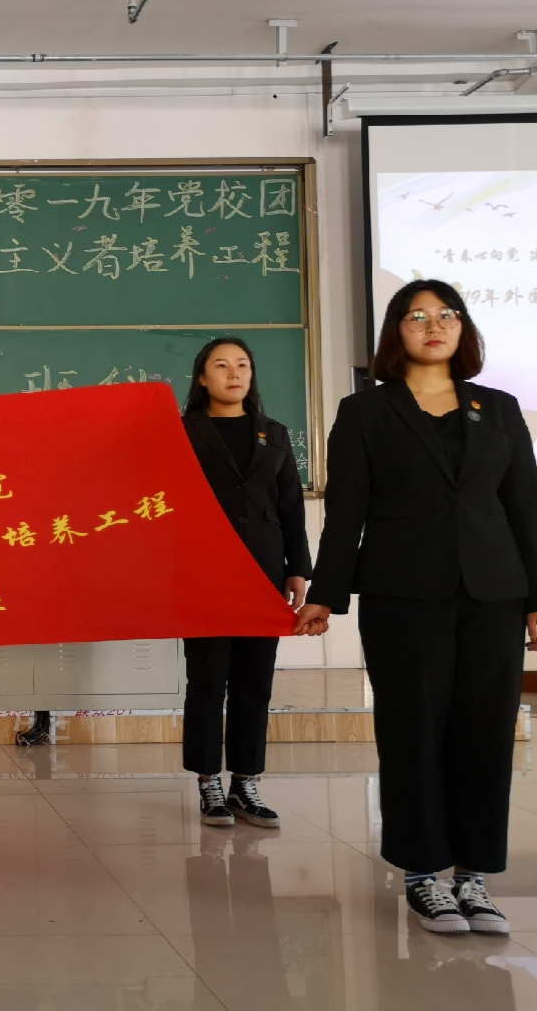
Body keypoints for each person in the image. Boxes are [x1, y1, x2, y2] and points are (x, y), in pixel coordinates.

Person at [295, 279, 537, 935]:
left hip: (494, 592)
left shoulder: (500, 408)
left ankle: (474, 877)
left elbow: (524, 507)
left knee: (486, 733)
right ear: (395, 333)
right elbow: (347, 511)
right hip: (402, 594)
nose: (434, 325)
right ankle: (424, 874)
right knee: (414, 730)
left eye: (446, 315)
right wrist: (326, 594)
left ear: (463, 328)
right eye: (417, 316)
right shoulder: (365, 412)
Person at [181, 338, 311, 829]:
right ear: (202, 378)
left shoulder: (272, 433)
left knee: (255, 682)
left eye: (242, 365)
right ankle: (208, 782)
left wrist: (297, 568)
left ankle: (245, 783)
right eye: (221, 365)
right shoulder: (182, 432)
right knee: (208, 681)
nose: (234, 373)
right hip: (204, 571)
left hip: (263, 570)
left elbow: (290, 505)